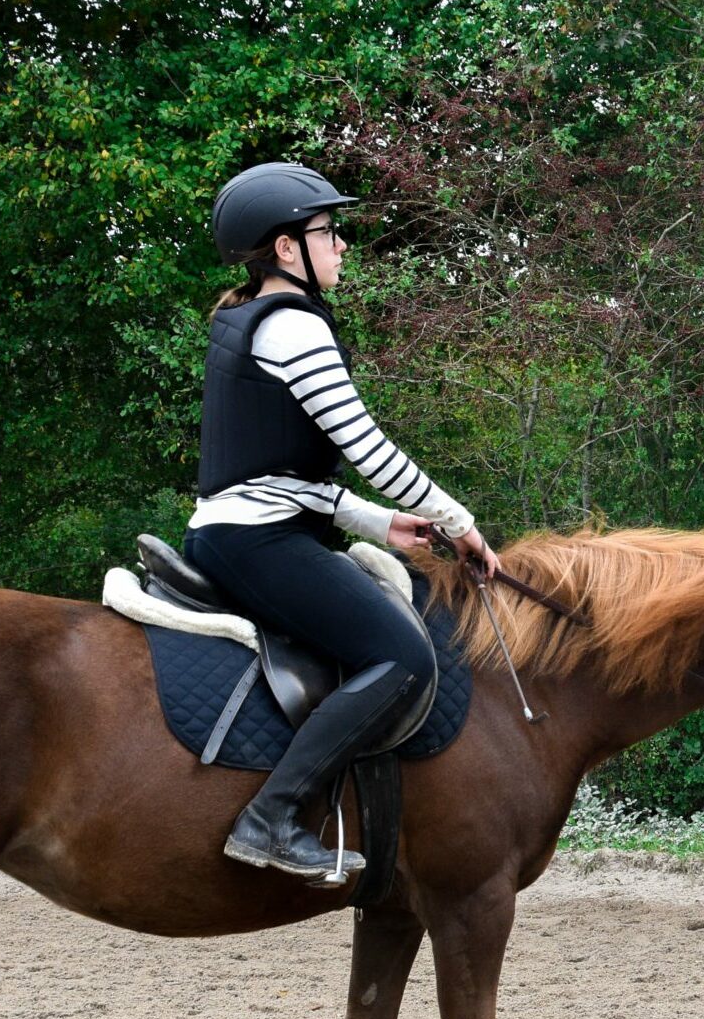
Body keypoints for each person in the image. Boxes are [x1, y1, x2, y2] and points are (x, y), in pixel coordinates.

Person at [185, 162, 500, 883]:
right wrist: (460, 523)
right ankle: (271, 818)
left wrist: (381, 524)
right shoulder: (293, 326)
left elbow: (281, 471)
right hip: (255, 540)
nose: (342, 245)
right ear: (288, 249)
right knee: (404, 657)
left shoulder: (260, 318)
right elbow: (368, 450)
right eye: (328, 231)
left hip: (244, 528)